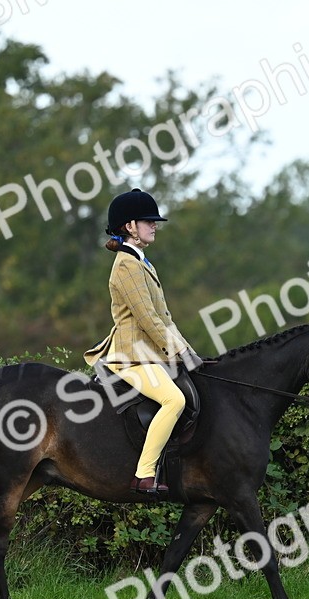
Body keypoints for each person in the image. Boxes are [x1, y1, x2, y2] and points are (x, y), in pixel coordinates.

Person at [84, 188, 204, 496]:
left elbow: (164, 317)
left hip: (149, 354)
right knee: (174, 400)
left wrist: (187, 351)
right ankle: (145, 474)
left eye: (154, 221)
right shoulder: (126, 266)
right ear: (130, 227)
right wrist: (176, 350)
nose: (155, 226)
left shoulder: (143, 263)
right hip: (131, 357)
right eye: (148, 221)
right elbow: (147, 319)